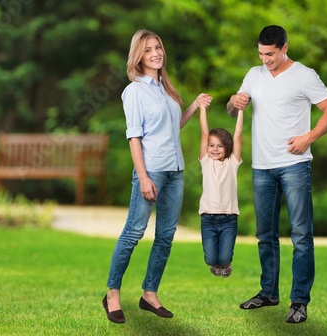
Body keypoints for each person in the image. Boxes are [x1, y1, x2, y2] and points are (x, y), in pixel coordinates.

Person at [226, 25, 327, 324]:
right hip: (261, 166)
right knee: (265, 235)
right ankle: (268, 293)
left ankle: (299, 301)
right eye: (261, 54)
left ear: (284, 48)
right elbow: (232, 107)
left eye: (271, 54)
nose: (265, 60)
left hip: (294, 165)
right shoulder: (253, 74)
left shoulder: (305, 75)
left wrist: (308, 137)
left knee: (301, 235)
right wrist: (234, 102)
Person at [102, 29, 212, 323]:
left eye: (158, 48)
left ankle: (149, 294)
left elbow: (171, 128)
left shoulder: (166, 89)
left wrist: (194, 105)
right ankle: (112, 293)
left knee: (165, 236)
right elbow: (134, 137)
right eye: (149, 49)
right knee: (133, 232)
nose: (156, 53)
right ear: (139, 56)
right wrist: (144, 176)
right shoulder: (135, 91)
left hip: (175, 171)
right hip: (151, 171)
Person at [198, 104, 243, 278]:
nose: (215, 149)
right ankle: (215, 265)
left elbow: (238, 135)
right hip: (208, 218)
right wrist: (202, 108)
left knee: (225, 257)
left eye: (220, 146)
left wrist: (240, 111)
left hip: (228, 218)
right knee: (210, 259)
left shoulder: (233, 163)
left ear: (228, 148)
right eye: (211, 145)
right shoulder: (205, 162)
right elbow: (204, 132)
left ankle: (225, 265)